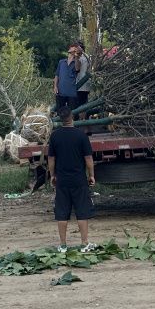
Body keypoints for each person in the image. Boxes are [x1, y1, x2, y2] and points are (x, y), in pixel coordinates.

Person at [47, 104, 96, 252]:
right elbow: (88, 159)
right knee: (82, 211)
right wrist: (91, 175)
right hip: (79, 179)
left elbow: (51, 159)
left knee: (62, 212)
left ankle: (63, 245)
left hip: (62, 180)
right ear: (72, 117)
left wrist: (52, 175)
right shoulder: (81, 135)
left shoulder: (54, 136)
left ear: (61, 119)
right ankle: (84, 243)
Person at [54, 42, 79, 113]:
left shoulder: (77, 62)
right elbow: (57, 75)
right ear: (69, 49)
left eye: (76, 49)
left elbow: (77, 69)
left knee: (71, 114)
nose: (74, 50)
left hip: (71, 93)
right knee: (59, 112)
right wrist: (55, 86)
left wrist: (76, 56)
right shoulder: (61, 62)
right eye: (73, 48)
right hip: (60, 92)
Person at [73, 40, 91, 107]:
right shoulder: (87, 56)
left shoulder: (82, 57)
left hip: (80, 86)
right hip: (85, 85)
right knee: (83, 104)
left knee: (79, 106)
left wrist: (76, 57)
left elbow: (77, 68)